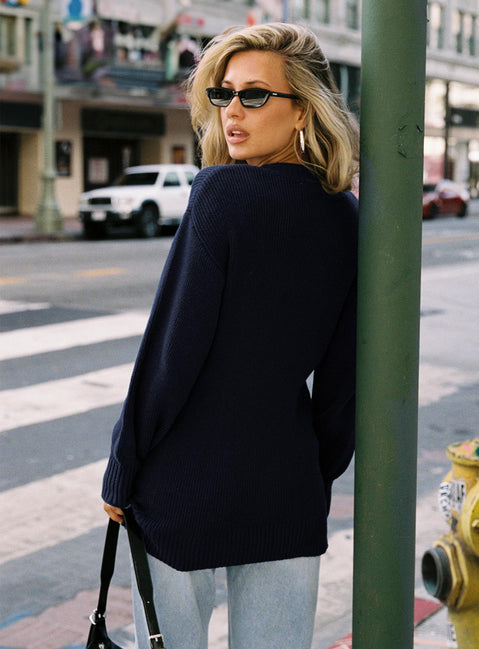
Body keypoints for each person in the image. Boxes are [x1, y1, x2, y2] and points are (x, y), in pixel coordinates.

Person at [102, 21, 359, 649]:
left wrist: (124, 465)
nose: (232, 112)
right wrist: (316, 469)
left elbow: (172, 350)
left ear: (303, 108)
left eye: (254, 95)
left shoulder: (220, 194)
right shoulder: (346, 215)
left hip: (183, 480)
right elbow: (344, 370)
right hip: (287, 483)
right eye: (223, 94)